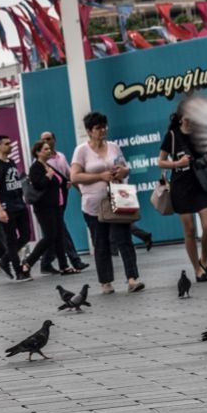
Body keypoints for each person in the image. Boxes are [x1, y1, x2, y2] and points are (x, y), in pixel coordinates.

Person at [70, 111, 142, 294]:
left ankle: (132, 278)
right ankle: (106, 282)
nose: (102, 130)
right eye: (98, 128)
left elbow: (125, 168)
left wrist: (122, 172)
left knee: (124, 239)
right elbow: (75, 176)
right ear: (89, 131)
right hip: (93, 206)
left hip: (117, 199)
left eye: (104, 126)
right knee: (100, 243)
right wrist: (99, 176)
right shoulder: (81, 150)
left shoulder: (114, 147)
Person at [157, 107, 207, 282]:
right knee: (189, 230)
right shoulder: (172, 136)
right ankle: (197, 270)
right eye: (187, 116)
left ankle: (204, 260)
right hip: (181, 188)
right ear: (180, 118)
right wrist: (177, 163)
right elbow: (160, 161)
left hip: (201, 185)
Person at [22, 137, 82, 275]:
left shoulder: (49, 166)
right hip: (44, 208)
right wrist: (48, 177)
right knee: (50, 236)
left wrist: (65, 183)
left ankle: (64, 266)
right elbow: (39, 185)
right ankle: (28, 261)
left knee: (59, 236)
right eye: (46, 149)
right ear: (38, 152)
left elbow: (60, 179)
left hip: (56, 206)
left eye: (49, 148)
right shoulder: (36, 167)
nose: (49, 151)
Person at [0, 136, 32, 281]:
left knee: (25, 235)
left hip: (19, 205)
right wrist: (0, 209)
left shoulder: (11, 162)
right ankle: (18, 272)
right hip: (7, 207)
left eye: (10, 143)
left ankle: (4, 260)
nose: (10, 145)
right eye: (6, 144)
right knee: (11, 240)